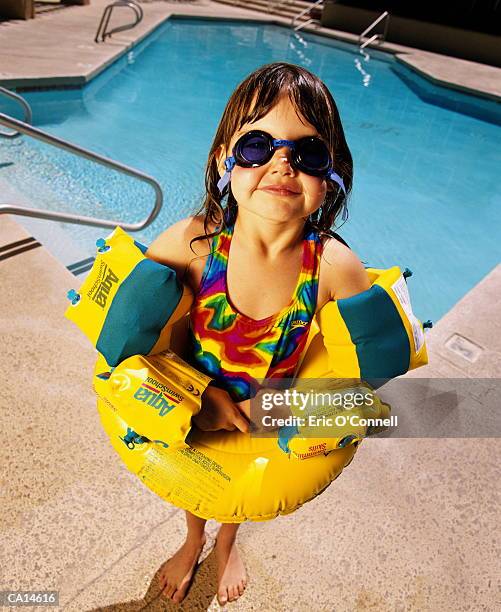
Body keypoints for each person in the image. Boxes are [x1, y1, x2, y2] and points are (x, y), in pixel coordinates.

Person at [145, 62, 371, 606]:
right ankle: (194, 537)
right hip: (198, 396)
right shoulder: (191, 245)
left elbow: (362, 374)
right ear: (225, 157)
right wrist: (204, 398)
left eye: (308, 153)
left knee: (245, 491)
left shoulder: (335, 269)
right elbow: (142, 347)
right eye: (256, 145)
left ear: (331, 173)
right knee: (195, 484)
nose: (281, 163)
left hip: (271, 409)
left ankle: (227, 543)